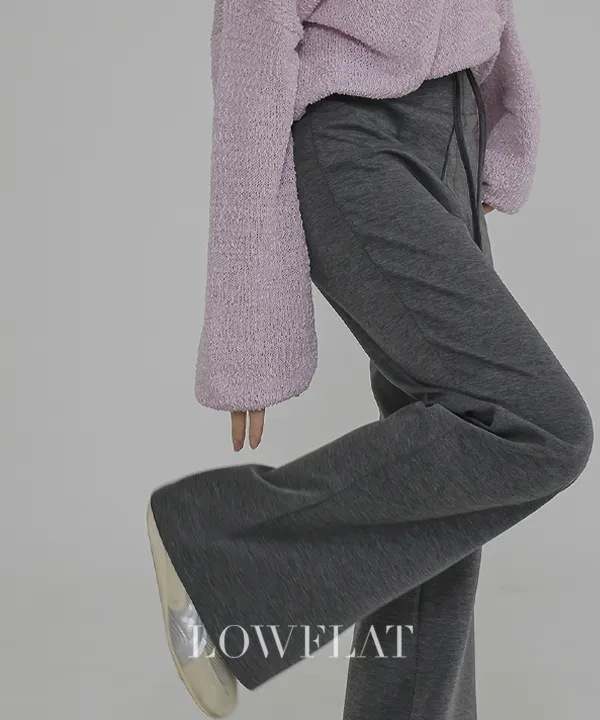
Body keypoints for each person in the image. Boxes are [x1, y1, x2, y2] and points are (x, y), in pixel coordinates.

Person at [146, 1, 594, 718]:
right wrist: (247, 327)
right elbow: (250, 65)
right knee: (540, 425)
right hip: (354, 139)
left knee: (448, 484)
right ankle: (220, 547)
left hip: (455, 132)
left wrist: (506, 119)